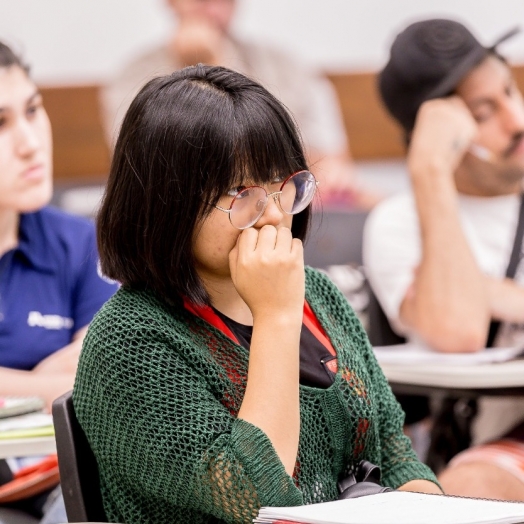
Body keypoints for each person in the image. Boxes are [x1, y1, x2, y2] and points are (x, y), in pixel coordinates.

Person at [73, 64, 440, 524]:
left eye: (283, 186)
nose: (273, 217)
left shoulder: (318, 295)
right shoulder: (130, 340)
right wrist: (276, 316)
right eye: (242, 193)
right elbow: (257, 498)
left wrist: (434, 507)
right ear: (167, 201)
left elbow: (395, 456)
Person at [363, 19, 524, 499]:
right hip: (488, 445)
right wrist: (430, 169)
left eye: (511, 92)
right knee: (460, 490)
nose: (516, 120)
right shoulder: (400, 222)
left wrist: (498, 296)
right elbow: (458, 331)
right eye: (482, 111)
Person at [100, 0, 380, 208]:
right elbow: (160, 175)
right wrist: (210, 65)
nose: (216, 10)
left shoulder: (285, 65)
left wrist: (331, 174)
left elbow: (329, 160)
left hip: (295, 211)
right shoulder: (132, 78)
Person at [0, 41, 118, 523]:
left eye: (33, 110)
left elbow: (104, 378)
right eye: (0, 124)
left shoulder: (77, 241)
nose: (30, 142)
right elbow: (75, 377)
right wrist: (52, 379)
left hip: (58, 477)